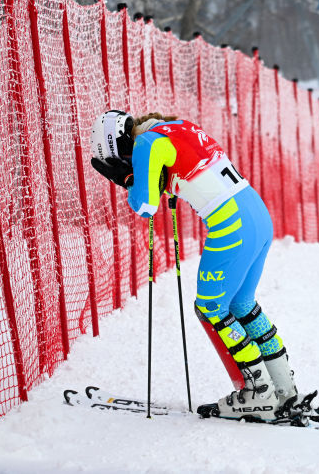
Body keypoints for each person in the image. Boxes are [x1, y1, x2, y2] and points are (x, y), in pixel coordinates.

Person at [89, 110, 299, 422]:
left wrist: (127, 179)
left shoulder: (147, 142)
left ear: (119, 147)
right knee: (242, 304)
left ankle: (257, 394)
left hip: (232, 226)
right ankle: (284, 390)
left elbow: (145, 205)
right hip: (257, 215)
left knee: (212, 308)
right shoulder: (176, 127)